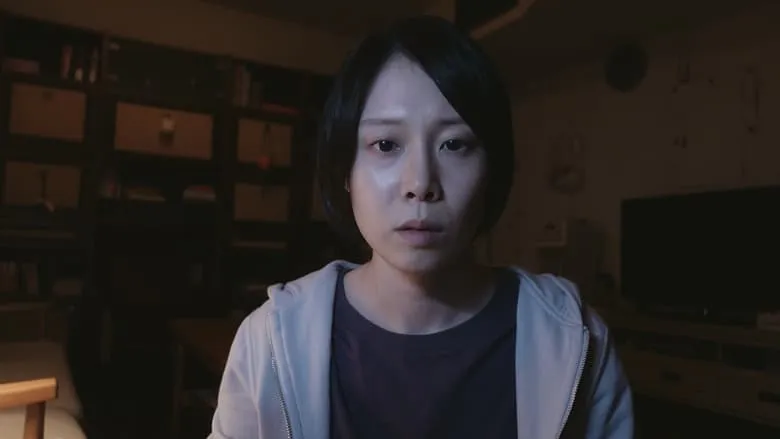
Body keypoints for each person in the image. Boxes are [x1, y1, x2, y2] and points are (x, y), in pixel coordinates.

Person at [209, 15, 633, 439]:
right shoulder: (269, 340)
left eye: (455, 144)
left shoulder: (574, 337)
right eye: (386, 144)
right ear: (345, 170)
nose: (420, 183)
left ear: (492, 169)